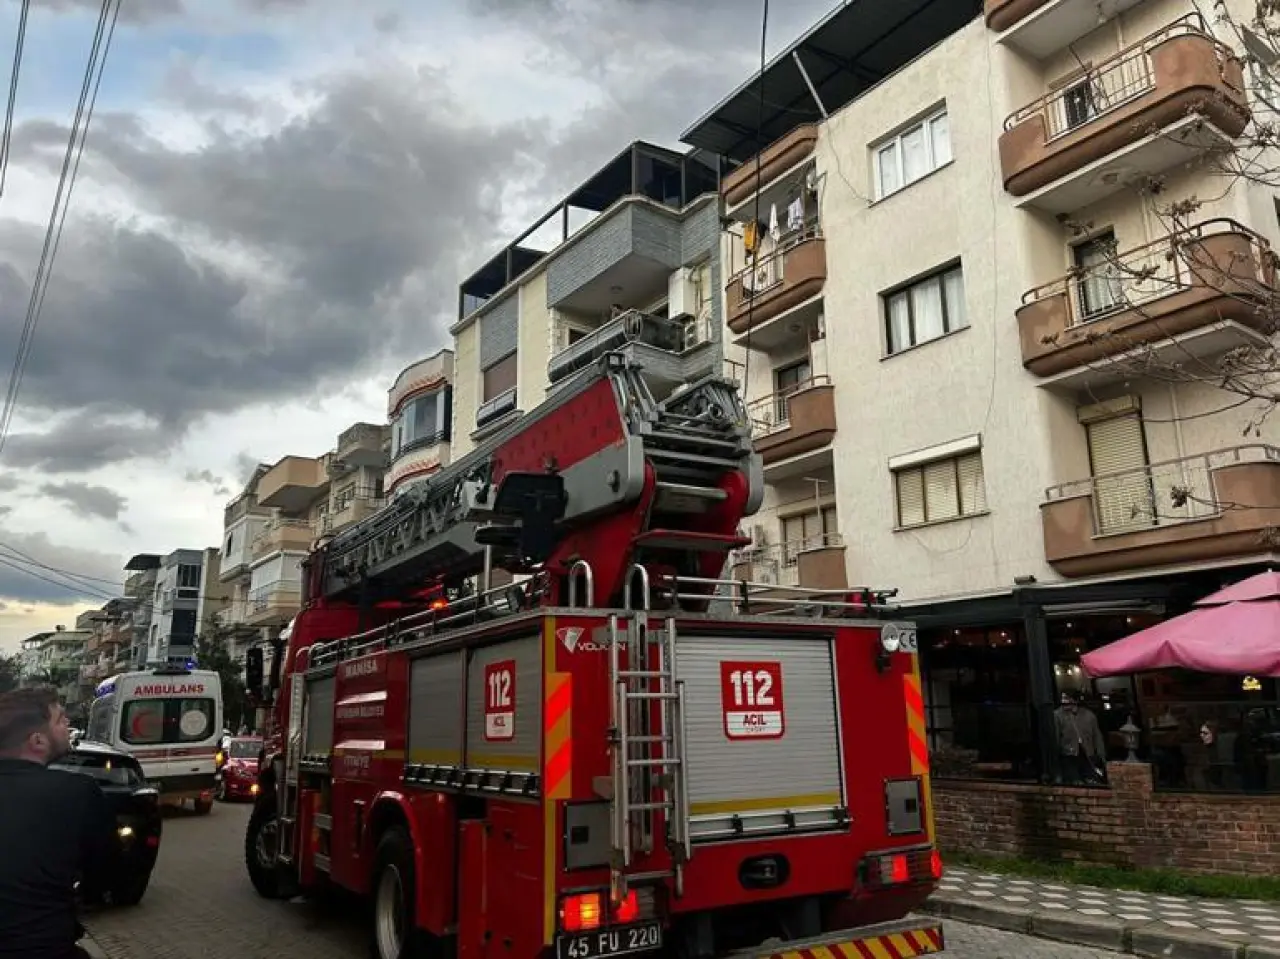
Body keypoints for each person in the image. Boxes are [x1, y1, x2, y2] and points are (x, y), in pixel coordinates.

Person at [0, 685, 115, 959]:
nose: (68, 725)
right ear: (37, 741)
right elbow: (102, 879)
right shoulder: (77, 792)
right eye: (60, 719)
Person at [1054, 690, 1107, 785]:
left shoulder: (1089, 715)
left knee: (1093, 780)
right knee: (1074, 782)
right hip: (1068, 755)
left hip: (1088, 753)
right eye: (1063, 698)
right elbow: (1056, 737)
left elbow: (1097, 736)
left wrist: (1101, 755)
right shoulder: (1058, 715)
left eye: (1067, 698)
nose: (1064, 701)